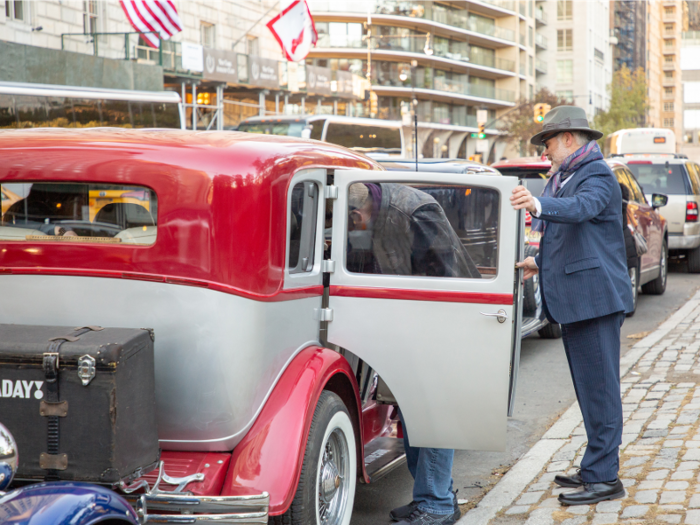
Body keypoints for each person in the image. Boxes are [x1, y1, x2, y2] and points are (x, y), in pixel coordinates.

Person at [509, 106, 633, 506]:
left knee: (601, 391)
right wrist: (538, 261)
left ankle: (605, 478)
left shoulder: (596, 174)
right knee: (589, 389)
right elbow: (572, 239)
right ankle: (595, 465)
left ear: (568, 138)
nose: (545, 151)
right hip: (578, 300)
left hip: (594, 300)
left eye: (547, 142)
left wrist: (537, 204)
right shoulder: (568, 175)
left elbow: (580, 210)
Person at [347, 182, 480, 525]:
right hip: (414, 326)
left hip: (439, 324)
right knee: (414, 415)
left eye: (351, 223)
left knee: (432, 416)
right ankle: (433, 496)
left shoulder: (413, 211)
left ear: (358, 213)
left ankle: (435, 504)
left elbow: (443, 278)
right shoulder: (377, 214)